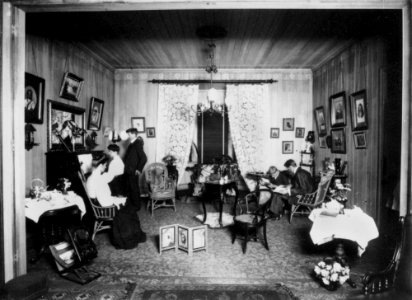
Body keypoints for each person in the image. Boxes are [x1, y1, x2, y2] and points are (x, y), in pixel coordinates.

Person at [123, 128, 147, 209]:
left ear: (133, 134)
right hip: (129, 170)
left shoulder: (137, 143)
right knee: (131, 188)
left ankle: (137, 206)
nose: (128, 136)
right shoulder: (132, 143)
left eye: (129, 134)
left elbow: (144, 158)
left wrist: (139, 169)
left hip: (133, 170)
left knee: (134, 188)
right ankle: (133, 205)